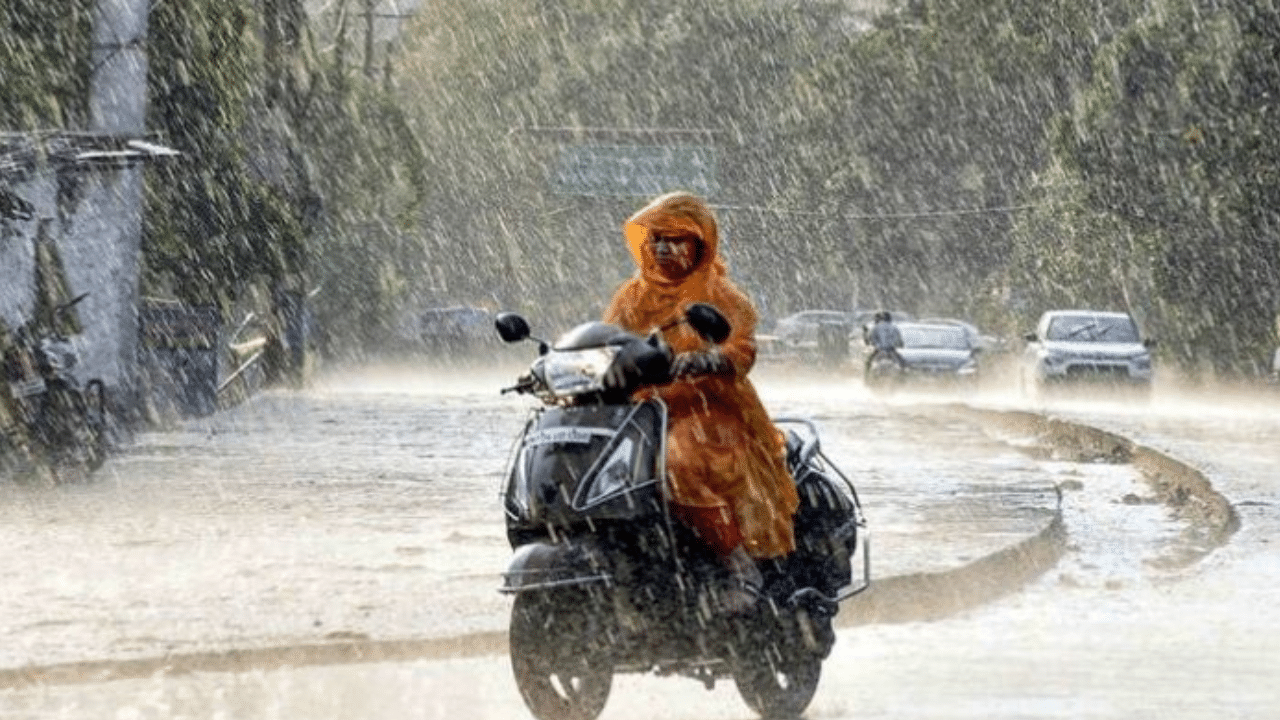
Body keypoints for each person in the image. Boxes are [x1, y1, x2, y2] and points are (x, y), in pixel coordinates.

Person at [602, 191, 799, 613]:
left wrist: (706, 359)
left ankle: (739, 566)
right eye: (657, 238)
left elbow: (742, 350)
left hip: (708, 410)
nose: (665, 248)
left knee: (678, 462)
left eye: (677, 239)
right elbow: (607, 342)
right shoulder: (629, 298)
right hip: (641, 411)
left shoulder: (724, 298)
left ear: (701, 246)